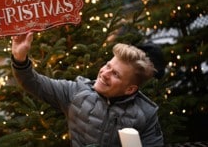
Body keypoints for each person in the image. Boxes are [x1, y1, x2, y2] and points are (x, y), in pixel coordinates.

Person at [11, 32, 164, 147]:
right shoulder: (76, 92)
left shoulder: (146, 114)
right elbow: (32, 82)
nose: (104, 74)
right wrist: (19, 58)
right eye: (108, 66)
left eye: (115, 74)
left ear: (130, 89)